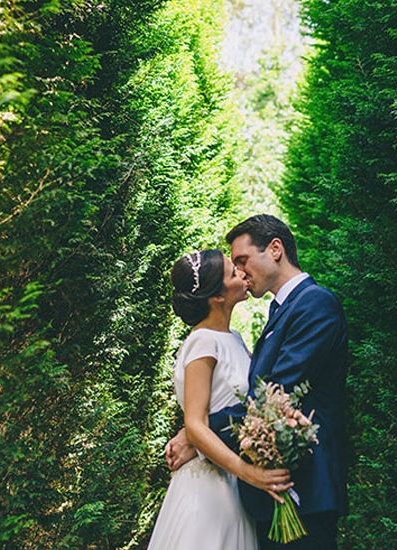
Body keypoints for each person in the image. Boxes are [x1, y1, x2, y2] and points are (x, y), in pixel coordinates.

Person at [166, 215, 350, 549]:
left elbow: (275, 394)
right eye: (233, 266)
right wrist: (196, 429)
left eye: (242, 260)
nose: (240, 272)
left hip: (305, 489)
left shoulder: (315, 305)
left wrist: (196, 432)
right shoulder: (279, 312)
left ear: (275, 249)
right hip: (268, 493)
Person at [148, 249, 293, 550]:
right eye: (232, 271)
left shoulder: (234, 339)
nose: (241, 273)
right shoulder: (203, 342)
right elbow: (196, 425)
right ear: (217, 297)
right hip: (208, 491)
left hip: (232, 488)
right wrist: (250, 473)